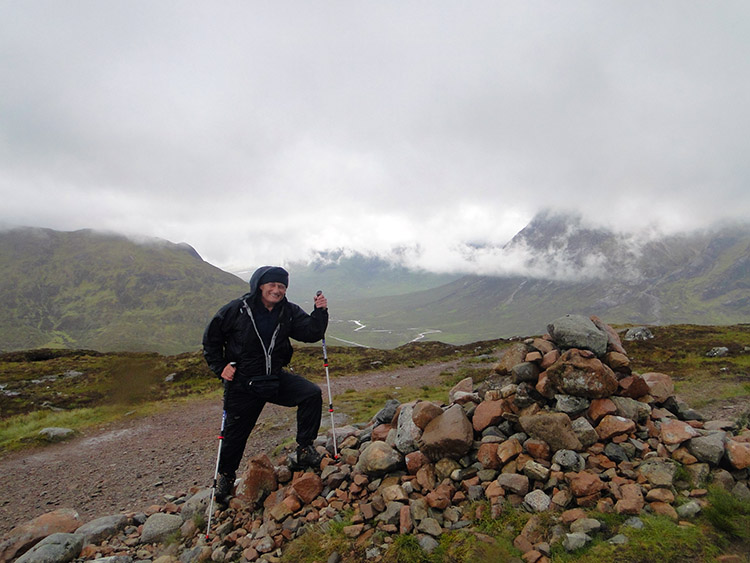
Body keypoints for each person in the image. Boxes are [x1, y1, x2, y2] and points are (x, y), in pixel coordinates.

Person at [202, 265, 328, 504]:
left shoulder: (288, 312)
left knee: (311, 394)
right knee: (235, 433)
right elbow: (211, 339)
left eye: (282, 286)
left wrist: (320, 311)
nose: (277, 290)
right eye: (272, 285)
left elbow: (312, 332)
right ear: (260, 285)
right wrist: (220, 367)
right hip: (242, 383)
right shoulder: (237, 310)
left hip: (274, 377)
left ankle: (304, 449)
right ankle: (225, 477)